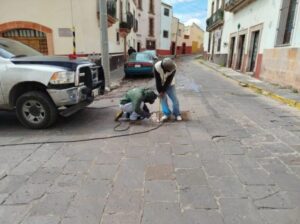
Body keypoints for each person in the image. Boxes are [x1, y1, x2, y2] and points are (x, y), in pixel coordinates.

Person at [154, 57, 182, 121]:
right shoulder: (156, 67)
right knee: (163, 100)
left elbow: (168, 81)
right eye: (168, 70)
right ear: (164, 68)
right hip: (160, 84)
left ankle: (177, 114)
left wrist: (163, 91)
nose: (169, 71)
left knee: (175, 99)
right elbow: (157, 81)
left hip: (170, 84)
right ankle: (166, 114)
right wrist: (160, 91)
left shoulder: (174, 67)